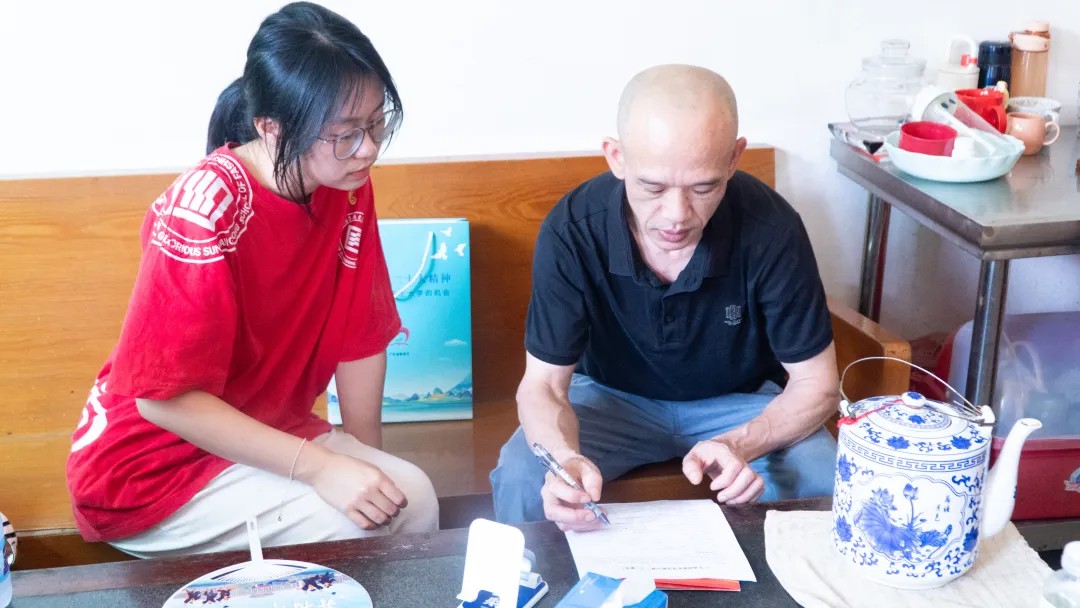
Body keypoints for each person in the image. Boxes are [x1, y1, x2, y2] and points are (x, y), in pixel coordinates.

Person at [66, 2, 438, 558]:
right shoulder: (205, 209)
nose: (368, 149)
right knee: (368, 525)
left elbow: (361, 335)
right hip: (154, 469)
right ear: (271, 128)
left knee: (409, 499)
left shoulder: (346, 183)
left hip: (266, 431)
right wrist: (323, 469)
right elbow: (162, 403)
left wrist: (365, 466)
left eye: (376, 123)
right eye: (345, 134)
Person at [490, 64, 840, 529]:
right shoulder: (573, 230)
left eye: (704, 187)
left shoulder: (771, 229)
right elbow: (544, 386)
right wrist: (564, 458)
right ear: (617, 157)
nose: (676, 215)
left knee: (820, 473)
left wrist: (742, 443)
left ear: (734, 159)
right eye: (652, 187)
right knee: (523, 476)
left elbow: (817, 384)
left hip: (738, 402)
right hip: (610, 401)